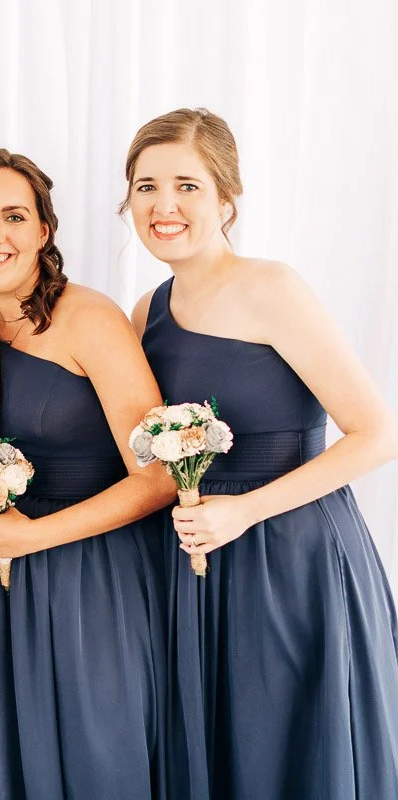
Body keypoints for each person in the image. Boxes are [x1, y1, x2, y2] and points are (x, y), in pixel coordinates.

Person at [130, 107, 398, 798]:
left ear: (226, 198)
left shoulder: (271, 287)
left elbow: (376, 433)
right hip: (194, 565)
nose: (165, 205)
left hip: (293, 555)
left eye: (187, 186)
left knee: (287, 753)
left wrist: (244, 512)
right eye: (147, 185)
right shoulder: (145, 312)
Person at [0, 148, 175, 799]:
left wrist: (33, 538)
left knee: (98, 756)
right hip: (4, 593)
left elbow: (159, 477)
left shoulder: (88, 317)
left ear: (44, 230)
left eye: (14, 216)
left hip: (93, 583)